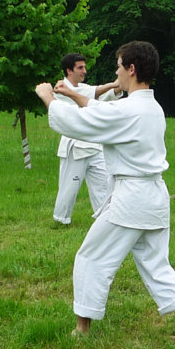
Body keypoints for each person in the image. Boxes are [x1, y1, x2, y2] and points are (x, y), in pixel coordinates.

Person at [34, 41, 175, 340]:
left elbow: (76, 123)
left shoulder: (129, 110)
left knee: (91, 257)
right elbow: (103, 110)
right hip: (155, 196)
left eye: (119, 66)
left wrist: (49, 97)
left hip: (131, 199)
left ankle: (82, 329)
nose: (116, 72)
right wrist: (73, 95)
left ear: (131, 69)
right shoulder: (152, 107)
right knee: (157, 264)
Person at [52, 53, 123, 225]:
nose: (84, 71)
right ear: (69, 70)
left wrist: (119, 87)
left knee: (104, 183)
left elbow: (99, 99)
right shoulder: (61, 88)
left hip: (94, 145)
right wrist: (114, 84)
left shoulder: (84, 89)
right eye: (80, 67)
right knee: (69, 188)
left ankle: (104, 217)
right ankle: (61, 220)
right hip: (75, 147)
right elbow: (91, 93)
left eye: (84, 67)